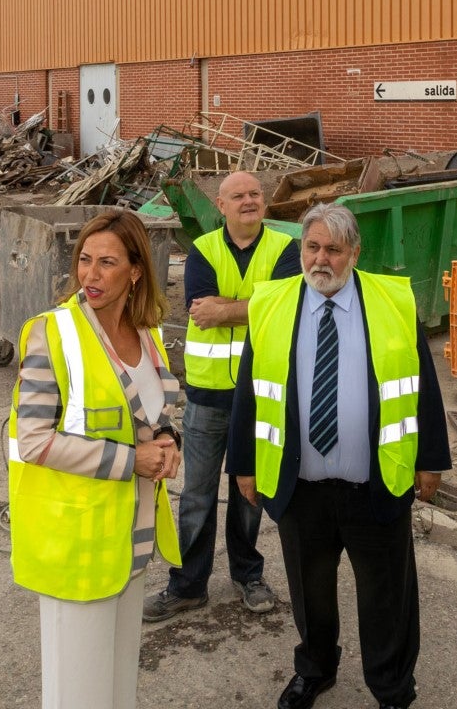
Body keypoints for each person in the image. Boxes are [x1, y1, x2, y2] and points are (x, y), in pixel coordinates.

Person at [226, 203, 451, 709]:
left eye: (332, 248)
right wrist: (242, 463)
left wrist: (430, 458)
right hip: (300, 487)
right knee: (311, 593)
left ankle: (392, 688)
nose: (320, 259)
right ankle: (315, 670)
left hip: (375, 484)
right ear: (301, 249)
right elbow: (249, 390)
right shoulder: (272, 302)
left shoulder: (392, 302)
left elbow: (424, 387)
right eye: (312, 247)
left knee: (386, 597)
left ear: (354, 252)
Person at [6, 209, 184, 709]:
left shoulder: (147, 335)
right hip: (78, 547)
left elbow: (152, 415)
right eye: (85, 260)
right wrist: (134, 460)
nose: (91, 274)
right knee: (79, 694)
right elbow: (33, 440)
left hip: (131, 542)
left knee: (117, 687)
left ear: (135, 271)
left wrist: (168, 440)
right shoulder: (52, 334)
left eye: (107, 262)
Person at [146, 170, 296, 622]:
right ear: (221, 205)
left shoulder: (285, 250)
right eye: (238, 196)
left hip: (262, 393)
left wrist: (229, 307)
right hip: (209, 394)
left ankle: (248, 575)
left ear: (264, 204)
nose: (248, 201)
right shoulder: (203, 250)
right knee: (197, 495)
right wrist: (257, 307)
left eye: (255, 194)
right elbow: (201, 311)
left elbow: (288, 309)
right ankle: (188, 584)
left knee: (251, 492)